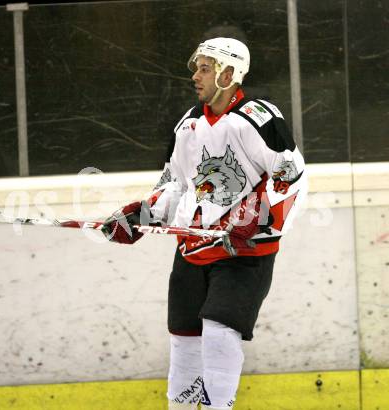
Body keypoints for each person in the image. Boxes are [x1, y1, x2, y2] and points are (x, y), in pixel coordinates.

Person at [102, 37, 307, 410]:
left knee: (218, 332)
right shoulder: (189, 124)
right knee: (184, 340)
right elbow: (176, 184)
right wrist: (141, 216)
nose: (195, 76)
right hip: (192, 248)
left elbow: (290, 174)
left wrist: (257, 216)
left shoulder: (258, 117)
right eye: (197, 68)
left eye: (204, 68)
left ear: (228, 74)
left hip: (242, 253)